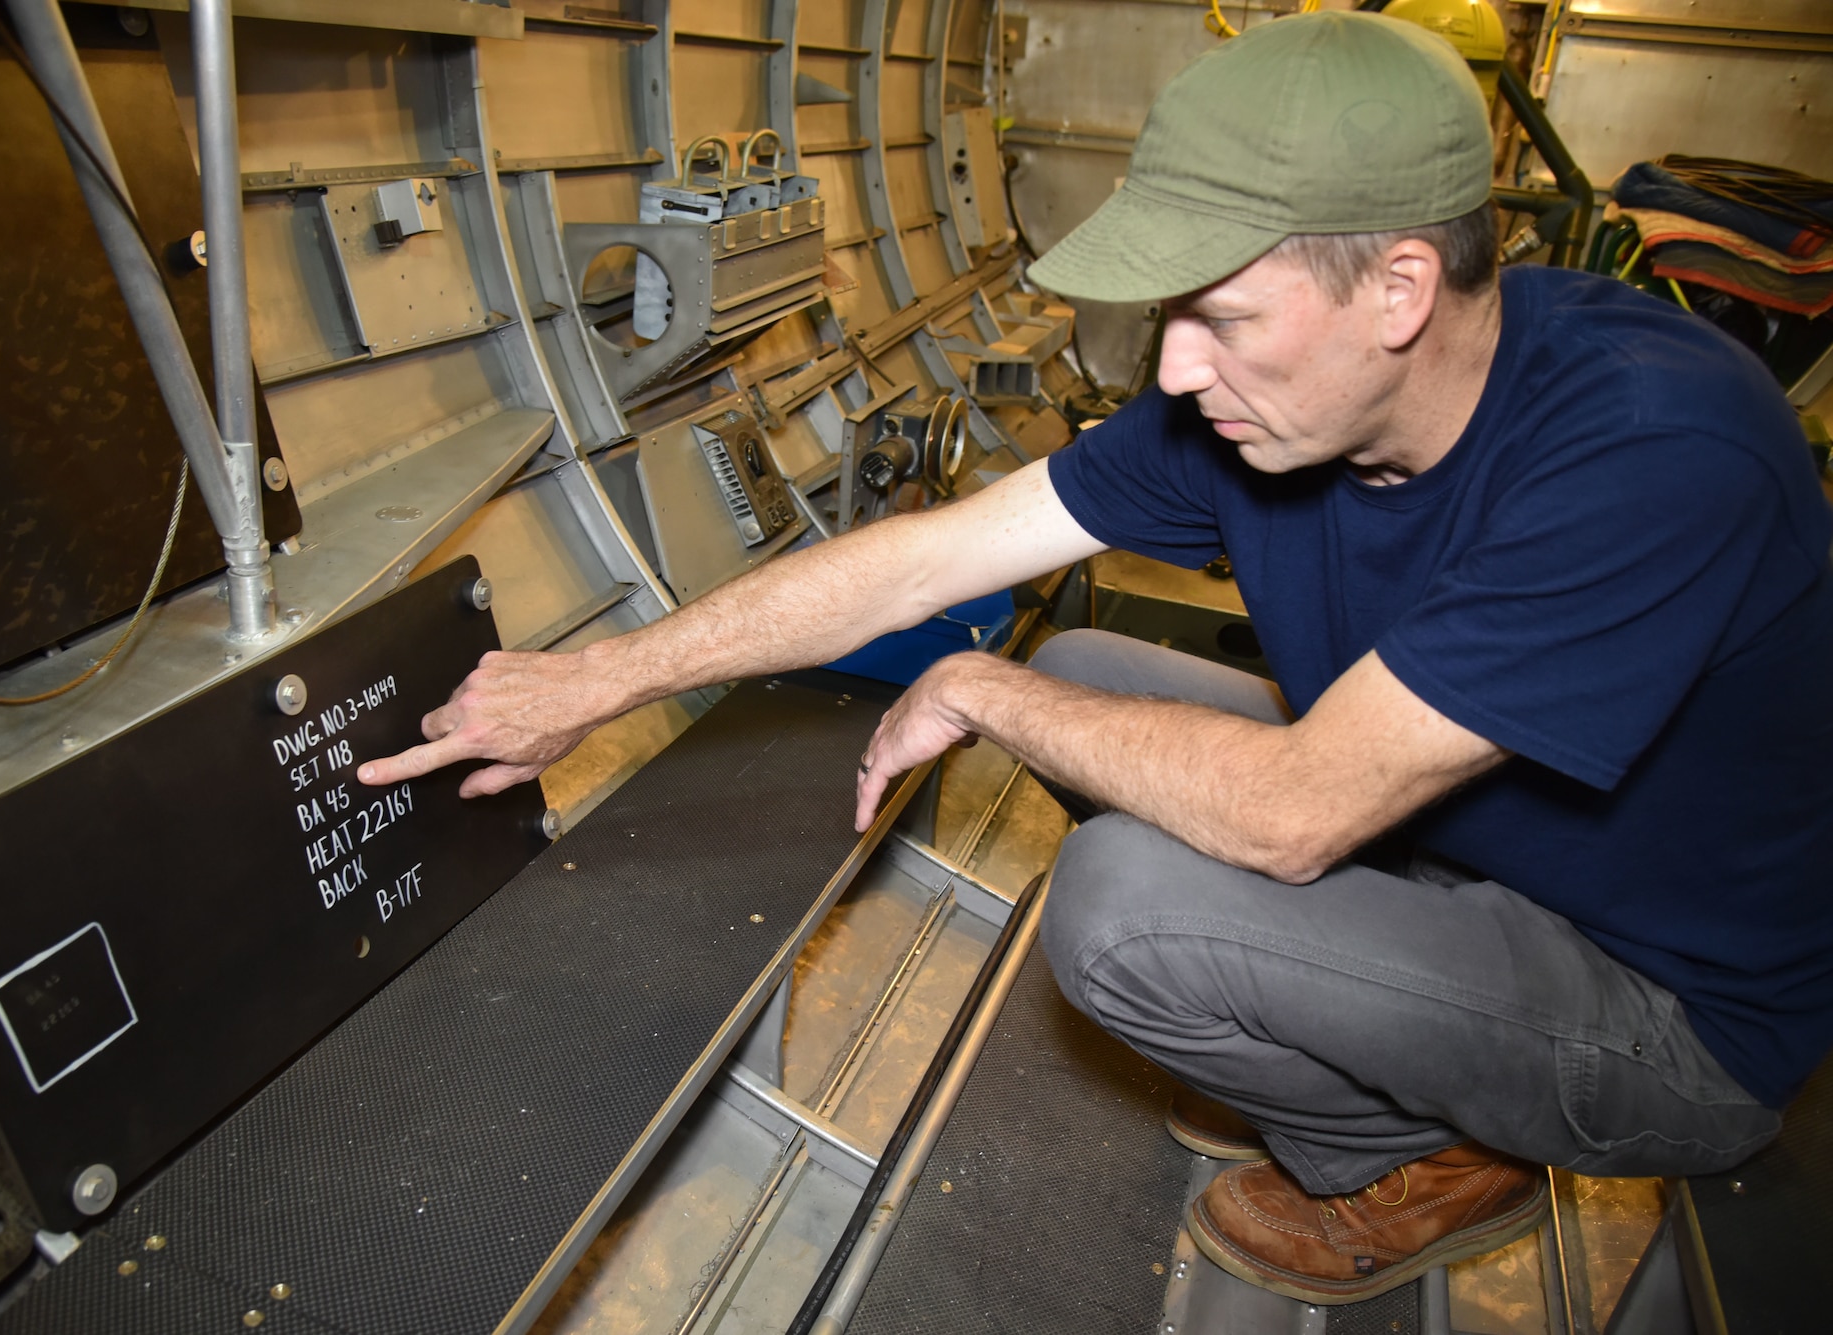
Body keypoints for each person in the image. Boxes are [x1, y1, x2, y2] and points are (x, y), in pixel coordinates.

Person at [359, 11, 1833, 1306]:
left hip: (1670, 1013)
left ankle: (1430, 1150)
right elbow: (930, 552)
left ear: (1397, 291)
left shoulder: (1651, 448)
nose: (1176, 372)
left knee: (1122, 906)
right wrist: (600, 677)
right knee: (1117, 673)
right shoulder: (1271, 405)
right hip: (1483, 846)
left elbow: (1291, 811)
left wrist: (983, 685)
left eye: (1225, 317)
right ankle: (1366, 1043)